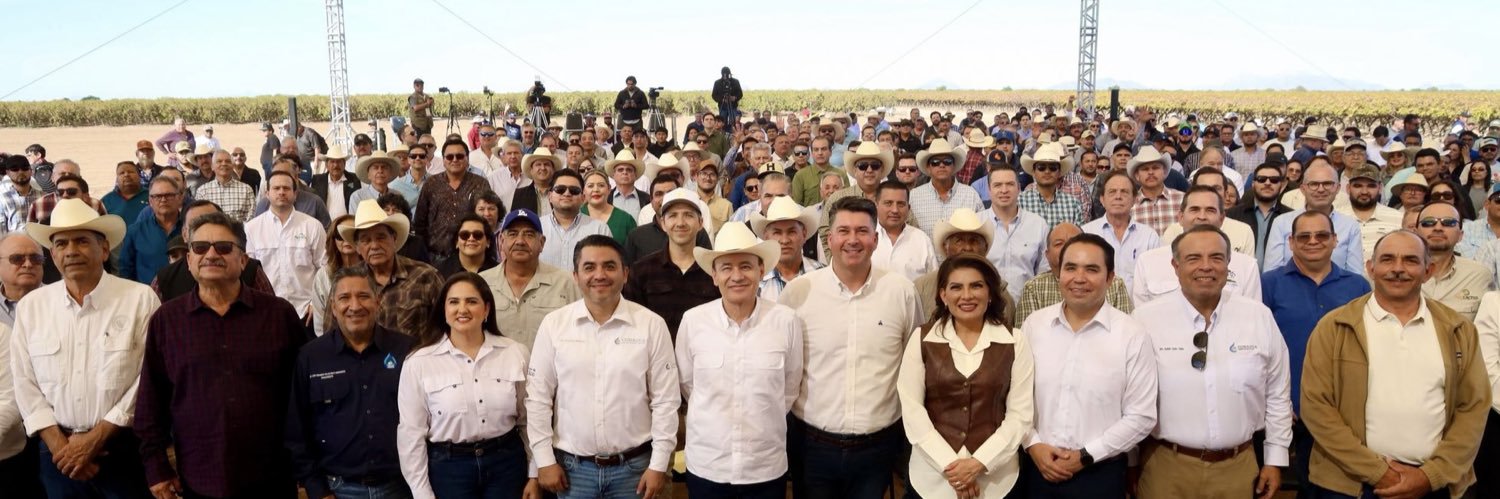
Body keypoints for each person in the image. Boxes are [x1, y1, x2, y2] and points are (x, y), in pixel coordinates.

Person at [1301, 230, 1491, 498]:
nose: (1398, 269)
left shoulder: (1458, 329)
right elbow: (1316, 408)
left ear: (1429, 270)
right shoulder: (1334, 327)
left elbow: (1473, 407)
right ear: (1371, 268)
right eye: (1388, 259)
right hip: (1348, 486)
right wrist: (1380, 473)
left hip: (1433, 485)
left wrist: (1430, 475)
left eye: (1411, 260)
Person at [135, 212, 307, 499]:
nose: (211, 255)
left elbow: (301, 395)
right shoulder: (167, 320)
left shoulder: (279, 315)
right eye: (200, 247)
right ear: (188, 259)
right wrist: (156, 467)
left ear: (243, 260)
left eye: (224, 248)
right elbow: (151, 401)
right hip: (199, 477)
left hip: (272, 475)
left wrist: (306, 465)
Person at [9, 200, 159, 498]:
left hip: (122, 448)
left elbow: (149, 376)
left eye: (82, 241)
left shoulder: (139, 299)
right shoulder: (32, 307)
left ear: (104, 250)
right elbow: (24, 381)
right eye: (61, 244)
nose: (71, 251)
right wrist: (59, 446)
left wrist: (97, 437)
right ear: (53, 254)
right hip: (56, 455)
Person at [1132, 226, 1292, 499]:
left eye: (1216, 258)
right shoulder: (1145, 320)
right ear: (1175, 265)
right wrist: (1131, 464)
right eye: (1193, 258)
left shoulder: (1258, 317)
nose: (1206, 267)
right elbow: (1131, 400)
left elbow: (1277, 393)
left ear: (1228, 265)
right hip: (1164, 467)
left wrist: (1275, 459)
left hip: (1239, 469)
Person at [779, 197, 921, 499]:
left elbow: (914, 363)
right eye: (843, 231)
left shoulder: (901, 292)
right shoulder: (799, 293)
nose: (852, 240)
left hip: (878, 446)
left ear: (875, 238)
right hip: (812, 443)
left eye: (861, 231)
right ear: (830, 239)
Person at [526, 235, 680, 499]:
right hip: (572, 471)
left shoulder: (651, 325)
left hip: (636, 469)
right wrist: (543, 460)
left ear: (625, 274)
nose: (600, 275)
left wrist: (659, 465)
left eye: (609, 266)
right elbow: (538, 398)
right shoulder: (554, 325)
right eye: (589, 267)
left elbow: (665, 401)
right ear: (575, 275)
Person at [1020, 234, 1157, 497]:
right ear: (1058, 274)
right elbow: (1015, 397)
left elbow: (1141, 415)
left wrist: (1085, 456)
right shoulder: (1034, 326)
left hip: (1099, 474)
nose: (1079, 278)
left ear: (1110, 278)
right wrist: (1033, 444)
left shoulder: (1132, 334)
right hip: (1036, 468)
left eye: (1091, 269)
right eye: (1070, 268)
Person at [675, 221, 802, 498]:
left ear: (761, 270)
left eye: (745, 266)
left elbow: (789, 389)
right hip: (708, 466)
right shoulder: (693, 321)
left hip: (765, 467)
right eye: (726, 268)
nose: (737, 276)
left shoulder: (786, 321)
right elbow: (688, 385)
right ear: (714, 276)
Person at [897, 254, 1034, 498]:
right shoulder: (921, 338)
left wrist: (979, 463)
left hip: (996, 480)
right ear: (943, 295)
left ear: (990, 293)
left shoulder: (1015, 341)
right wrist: (954, 469)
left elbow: (1020, 415)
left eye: (976, 286)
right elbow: (912, 411)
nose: (967, 295)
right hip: (931, 478)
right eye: (956, 287)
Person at [1259, 210, 1372, 498]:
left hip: (1339, 413)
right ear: (1291, 242)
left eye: (1322, 235)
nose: (1313, 241)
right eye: (1304, 236)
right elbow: (1259, 348)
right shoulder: (1268, 284)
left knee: (1327, 489)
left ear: (1335, 240)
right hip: (1285, 407)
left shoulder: (1358, 286)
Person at [396, 273, 540, 498]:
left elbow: (528, 421)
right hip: (449, 468)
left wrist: (534, 474)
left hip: (506, 464)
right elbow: (411, 434)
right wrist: (421, 491)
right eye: (454, 302)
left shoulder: (515, 353)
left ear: (486, 310)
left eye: (471, 301)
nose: (462, 309)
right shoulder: (418, 362)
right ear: (444, 310)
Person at [285, 266, 416, 499]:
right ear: (333, 308)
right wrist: (318, 490)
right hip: (337, 489)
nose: (355, 306)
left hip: (401, 487)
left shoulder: (406, 350)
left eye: (363, 296)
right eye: (344, 298)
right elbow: (297, 431)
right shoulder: (311, 357)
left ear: (377, 302)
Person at [1131, 186, 1262, 306]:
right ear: (1181, 217)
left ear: (1222, 219)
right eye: (1194, 209)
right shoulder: (1148, 262)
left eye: (1210, 210)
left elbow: (1252, 317)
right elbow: (1142, 318)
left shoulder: (1247, 266)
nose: (1202, 216)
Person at [341, 200, 445, 340]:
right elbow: (332, 334)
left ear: (394, 239)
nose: (375, 246)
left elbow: (447, 328)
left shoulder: (426, 276)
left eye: (381, 237)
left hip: (414, 359)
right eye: (366, 240)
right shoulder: (347, 282)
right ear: (358, 248)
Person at [478, 208, 580, 350]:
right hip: (495, 371)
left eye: (529, 234)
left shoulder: (566, 283)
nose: (520, 241)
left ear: (542, 243)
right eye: (513, 234)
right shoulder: (481, 283)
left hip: (550, 371)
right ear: (501, 240)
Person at [623, 188, 720, 336]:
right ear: (663, 223)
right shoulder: (641, 271)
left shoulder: (714, 272)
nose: (680, 223)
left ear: (701, 223)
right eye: (673, 216)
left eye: (688, 215)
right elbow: (632, 324)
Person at [245, 170, 328, 331]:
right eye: (276, 188)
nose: (281, 192)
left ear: (295, 193)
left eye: (286, 188)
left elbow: (325, 268)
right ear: (267, 193)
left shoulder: (312, 226)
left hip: (306, 313)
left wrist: (315, 304)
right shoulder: (252, 229)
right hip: (266, 313)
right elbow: (249, 274)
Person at [1015, 223, 1134, 324]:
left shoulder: (1115, 284)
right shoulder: (1033, 288)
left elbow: (1124, 327)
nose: (1067, 247)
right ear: (1047, 254)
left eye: (1074, 241)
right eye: (1058, 243)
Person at [1264, 163, 1367, 278]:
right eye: (1314, 184)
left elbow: (1355, 276)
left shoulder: (1350, 225)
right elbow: (1272, 273)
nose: (1321, 189)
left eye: (1327, 184)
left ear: (1337, 188)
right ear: (1303, 189)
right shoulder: (1282, 223)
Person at [1082, 170, 1163, 293]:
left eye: (1124, 192)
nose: (1118, 196)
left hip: (1138, 308)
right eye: (1112, 192)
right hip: (1098, 309)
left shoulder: (1149, 236)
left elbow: (1156, 279)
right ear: (1102, 200)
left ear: (1134, 200)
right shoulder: (1086, 234)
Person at [414, 139, 493, 261]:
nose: (455, 160)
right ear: (444, 160)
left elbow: (489, 220)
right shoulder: (431, 184)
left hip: (472, 256)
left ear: (467, 159)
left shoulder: (480, 184)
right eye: (450, 157)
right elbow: (420, 221)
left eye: (460, 156)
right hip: (436, 258)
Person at [1414, 202, 1493, 321]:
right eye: (1429, 222)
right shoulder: (1397, 272)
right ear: (1415, 232)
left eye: (1448, 222)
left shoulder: (1480, 275)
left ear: (1460, 235)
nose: (1438, 228)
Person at [982, 167, 1049, 304]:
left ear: (1019, 188)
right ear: (989, 190)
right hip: (987, 309)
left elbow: (1044, 274)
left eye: (1010, 184)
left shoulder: (1038, 225)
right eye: (997, 185)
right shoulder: (977, 225)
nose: (1004, 190)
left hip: (1027, 308)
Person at [536, 169, 611, 271]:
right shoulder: (536, 227)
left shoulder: (599, 229)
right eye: (560, 189)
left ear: (583, 198)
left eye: (574, 190)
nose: (567, 193)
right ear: (550, 196)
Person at [910, 139, 985, 234]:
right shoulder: (914, 196)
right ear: (928, 168)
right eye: (935, 162)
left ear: (953, 166)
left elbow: (981, 230)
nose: (941, 165)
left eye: (947, 161)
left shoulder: (971, 195)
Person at [119, 176, 185, 284]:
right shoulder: (135, 231)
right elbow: (125, 270)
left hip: (185, 295)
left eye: (168, 195)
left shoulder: (191, 229)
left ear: (179, 198)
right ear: (150, 201)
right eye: (157, 196)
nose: (163, 200)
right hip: (147, 297)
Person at [1228, 162, 1294, 265]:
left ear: (1281, 186)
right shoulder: (1233, 215)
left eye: (1274, 180)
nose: (1267, 183)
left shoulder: (1292, 217)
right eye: (1261, 179)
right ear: (1253, 184)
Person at [312, 214, 359, 337]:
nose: (345, 239)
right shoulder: (323, 275)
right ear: (333, 240)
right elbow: (320, 321)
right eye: (339, 235)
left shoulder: (373, 270)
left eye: (351, 234)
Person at [1018, 144, 1085, 227]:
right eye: (1041, 167)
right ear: (1033, 172)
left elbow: (1080, 236)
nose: (1047, 171)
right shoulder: (1020, 202)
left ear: (1060, 172)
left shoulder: (1073, 204)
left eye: (1052, 168)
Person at [580, 170, 634, 244]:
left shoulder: (626, 220)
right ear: (583, 190)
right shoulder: (575, 216)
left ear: (609, 189)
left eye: (601, 185)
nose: (596, 190)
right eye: (590, 186)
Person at [508, 147, 561, 216]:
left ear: (553, 169)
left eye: (546, 164)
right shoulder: (520, 194)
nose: (542, 168)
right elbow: (515, 222)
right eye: (538, 164)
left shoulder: (561, 192)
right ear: (531, 170)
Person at [0, 155, 40, 233]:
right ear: (7, 173)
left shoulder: (43, 197)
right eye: (15, 169)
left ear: (31, 171)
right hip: (12, 244)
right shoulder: (2, 199)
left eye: (24, 168)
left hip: (38, 244)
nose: (21, 172)